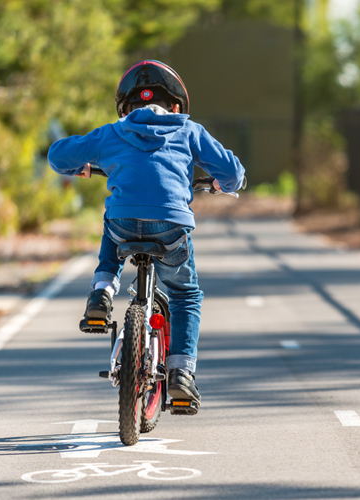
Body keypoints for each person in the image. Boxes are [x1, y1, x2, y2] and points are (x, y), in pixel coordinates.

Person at [48, 60, 245, 405]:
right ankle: (181, 374)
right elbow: (233, 172)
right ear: (176, 105)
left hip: (124, 225)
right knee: (185, 296)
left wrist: (81, 165)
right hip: (171, 227)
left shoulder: (112, 132)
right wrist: (221, 182)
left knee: (113, 221)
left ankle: (102, 291)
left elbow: (57, 155)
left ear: (127, 107)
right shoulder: (189, 130)